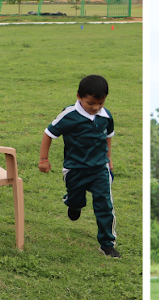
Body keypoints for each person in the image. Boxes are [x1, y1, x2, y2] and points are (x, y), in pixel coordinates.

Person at [40, 75, 120, 257]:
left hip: (100, 168)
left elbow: (108, 136)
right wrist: (43, 160)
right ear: (79, 97)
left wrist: (109, 158)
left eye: (100, 103)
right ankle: (73, 204)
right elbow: (48, 134)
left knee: (105, 205)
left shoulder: (105, 116)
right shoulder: (69, 115)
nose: (96, 107)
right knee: (77, 200)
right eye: (91, 103)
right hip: (75, 169)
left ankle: (107, 244)